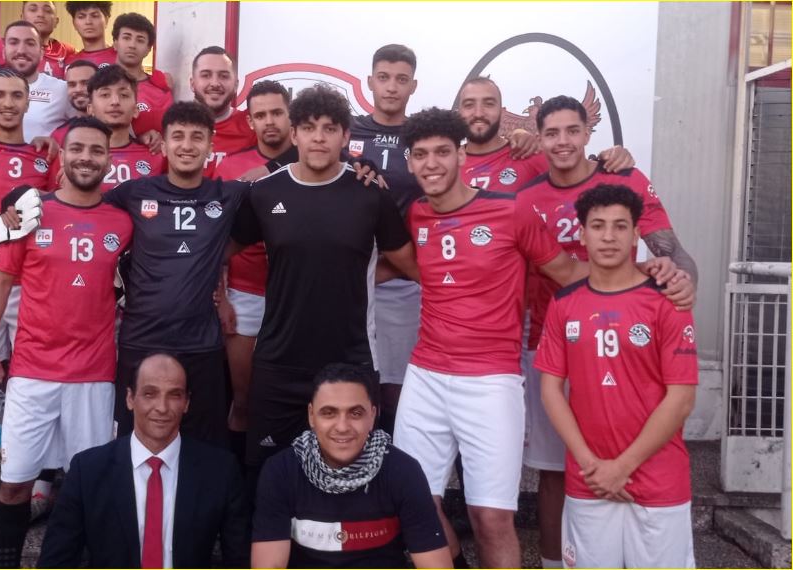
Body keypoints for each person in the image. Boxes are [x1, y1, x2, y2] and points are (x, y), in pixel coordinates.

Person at [389, 108, 692, 568]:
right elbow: (401, 266)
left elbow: (568, 271)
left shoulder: (511, 210)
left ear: (461, 157)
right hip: (425, 374)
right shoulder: (415, 213)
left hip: (491, 380)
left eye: (442, 152)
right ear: (410, 162)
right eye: (421, 155)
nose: (432, 163)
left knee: (491, 518)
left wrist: (649, 272)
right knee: (414, 505)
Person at [517, 94, 698, 568]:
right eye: (551, 133)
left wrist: (682, 285)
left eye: (572, 131)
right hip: (553, 337)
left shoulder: (624, 177)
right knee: (555, 472)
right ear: (539, 139)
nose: (563, 142)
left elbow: (674, 254)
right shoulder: (526, 196)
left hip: (631, 327)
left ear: (588, 133)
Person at [229, 84, 418, 476]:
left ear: (346, 137)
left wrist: (362, 275)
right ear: (294, 134)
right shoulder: (264, 194)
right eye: (309, 127)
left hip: (350, 359)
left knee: (352, 477)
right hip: (279, 362)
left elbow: (411, 265)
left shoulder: (370, 194)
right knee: (269, 476)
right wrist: (217, 293)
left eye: (330, 128)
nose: (319, 137)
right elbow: (218, 252)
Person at [0, 117, 132, 568]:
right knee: (14, 485)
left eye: (96, 150)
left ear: (109, 159)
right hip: (32, 373)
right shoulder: (29, 210)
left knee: (90, 488)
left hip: (94, 376)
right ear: (62, 155)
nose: (86, 157)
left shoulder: (123, 222)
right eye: (77, 148)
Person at [104, 101, 247, 448]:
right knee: (134, 440)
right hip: (142, 338)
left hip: (201, 344)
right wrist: (18, 197)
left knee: (204, 447)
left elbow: (287, 184)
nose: (187, 145)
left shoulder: (228, 194)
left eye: (197, 137)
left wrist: (210, 260)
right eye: (178, 136)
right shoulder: (136, 192)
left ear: (210, 146)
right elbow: (81, 201)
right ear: (164, 145)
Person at [36, 353, 250, 568]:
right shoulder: (88, 471)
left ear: (186, 402)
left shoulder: (220, 471)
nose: (162, 407)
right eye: (150, 394)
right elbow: (55, 561)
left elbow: (239, 559)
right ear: (130, 398)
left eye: (174, 395)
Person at [251, 363, 452, 569]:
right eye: (329, 413)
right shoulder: (281, 472)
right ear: (311, 415)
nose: (342, 427)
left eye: (355, 413)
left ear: (372, 416)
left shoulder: (403, 471)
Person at [346, 44, 422, 436]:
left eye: (401, 79)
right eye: (384, 77)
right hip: (352, 277)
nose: (391, 87)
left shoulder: (424, 134)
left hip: (404, 278)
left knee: (396, 390)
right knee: (354, 382)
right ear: (369, 82)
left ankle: (397, 462)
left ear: (413, 86)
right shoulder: (347, 130)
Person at [214, 80, 293, 456]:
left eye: (277, 112)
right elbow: (216, 239)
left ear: (291, 115)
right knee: (243, 400)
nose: (269, 121)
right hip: (244, 292)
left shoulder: (312, 159)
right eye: (261, 115)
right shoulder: (231, 166)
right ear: (250, 121)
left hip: (294, 297)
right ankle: (239, 483)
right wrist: (222, 298)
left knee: (290, 400)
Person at [0, 21, 73, 142]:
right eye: (14, 42)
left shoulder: (62, 90)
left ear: (41, 52)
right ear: (3, 51)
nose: (21, 50)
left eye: (30, 43)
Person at [110, 13, 173, 148]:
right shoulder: (97, 85)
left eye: (140, 40)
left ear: (148, 49)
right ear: (115, 43)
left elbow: (171, 132)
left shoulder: (160, 90)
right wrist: (136, 135)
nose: (132, 45)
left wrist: (159, 139)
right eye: (126, 38)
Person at [190, 46, 255, 173]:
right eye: (206, 75)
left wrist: (270, 166)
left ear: (236, 85)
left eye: (224, 76)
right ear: (192, 83)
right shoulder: (169, 124)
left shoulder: (253, 126)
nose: (215, 83)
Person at [0, 1, 76, 79]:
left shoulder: (67, 51)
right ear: (22, 17)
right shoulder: (2, 47)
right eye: (33, 9)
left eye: (47, 11)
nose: (40, 14)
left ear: (56, 21)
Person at [64, 2, 117, 68]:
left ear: (106, 20)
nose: (88, 22)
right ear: (74, 23)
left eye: (95, 16)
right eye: (81, 17)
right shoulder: (69, 63)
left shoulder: (121, 57)